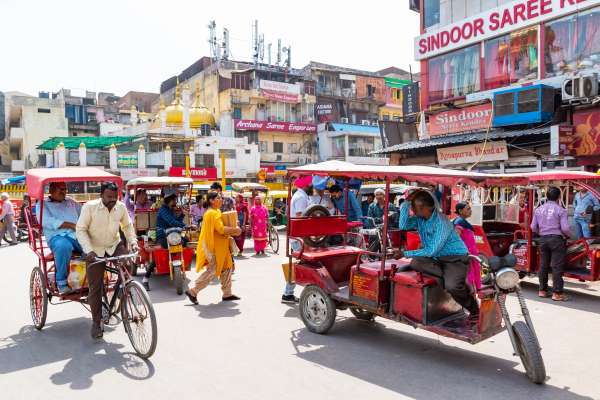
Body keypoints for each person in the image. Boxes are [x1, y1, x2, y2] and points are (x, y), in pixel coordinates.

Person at [396, 190, 480, 320]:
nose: (412, 209)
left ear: (425, 207)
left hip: (455, 259)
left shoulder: (442, 222)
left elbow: (430, 251)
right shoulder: (420, 219)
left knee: (452, 286)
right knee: (415, 262)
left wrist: (405, 253)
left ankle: (474, 309)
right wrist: (406, 203)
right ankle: (449, 279)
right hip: (437, 259)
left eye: (414, 206)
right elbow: (403, 225)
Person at [76, 182, 138, 339]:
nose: (113, 200)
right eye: (109, 197)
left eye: (115, 197)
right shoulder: (89, 207)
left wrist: (133, 242)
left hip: (113, 244)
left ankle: (121, 291)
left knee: (128, 265)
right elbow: (81, 229)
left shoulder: (121, 207)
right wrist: (88, 250)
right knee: (95, 288)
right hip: (94, 250)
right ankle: (96, 323)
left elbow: (127, 226)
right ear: (101, 195)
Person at [185, 191, 241, 304]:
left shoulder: (216, 211)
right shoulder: (212, 213)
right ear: (211, 200)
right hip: (215, 248)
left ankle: (227, 293)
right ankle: (193, 291)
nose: (221, 200)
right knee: (212, 271)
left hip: (222, 247)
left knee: (227, 268)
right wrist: (235, 230)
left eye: (221, 198)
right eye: (218, 198)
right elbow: (221, 229)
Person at [36, 183, 82, 294]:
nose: (64, 192)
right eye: (60, 189)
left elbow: (84, 213)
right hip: (57, 236)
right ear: (51, 190)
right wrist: (70, 225)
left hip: (77, 235)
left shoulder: (71, 202)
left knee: (95, 246)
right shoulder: (43, 204)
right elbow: (46, 221)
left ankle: (86, 277)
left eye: (65, 189)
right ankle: (62, 283)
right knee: (63, 246)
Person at [531, 186, 570, 301]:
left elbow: (533, 227)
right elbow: (566, 228)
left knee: (543, 265)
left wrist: (542, 232)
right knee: (556, 266)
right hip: (556, 240)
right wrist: (568, 235)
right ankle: (557, 293)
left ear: (546, 197)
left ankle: (542, 290)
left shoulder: (538, 210)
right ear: (559, 197)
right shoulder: (561, 210)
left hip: (543, 239)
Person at [143, 189, 187, 290]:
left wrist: (182, 214)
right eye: (174, 201)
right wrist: (185, 225)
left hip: (172, 235)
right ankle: (145, 278)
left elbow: (176, 221)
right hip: (162, 234)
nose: (176, 202)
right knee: (159, 252)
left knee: (185, 242)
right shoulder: (163, 210)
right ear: (169, 200)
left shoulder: (171, 210)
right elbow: (171, 222)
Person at [282, 175, 312, 304]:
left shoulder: (301, 196)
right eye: (311, 184)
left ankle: (288, 294)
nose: (312, 187)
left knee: (300, 265)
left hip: (299, 237)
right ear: (306, 185)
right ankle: (288, 293)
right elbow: (301, 218)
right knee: (303, 266)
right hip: (299, 238)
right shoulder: (300, 197)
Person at [453, 202, 481, 290]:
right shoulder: (459, 222)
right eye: (468, 209)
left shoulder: (462, 221)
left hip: (470, 253)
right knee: (468, 279)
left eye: (470, 209)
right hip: (466, 255)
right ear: (460, 211)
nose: (470, 211)